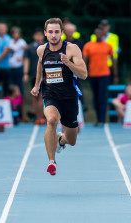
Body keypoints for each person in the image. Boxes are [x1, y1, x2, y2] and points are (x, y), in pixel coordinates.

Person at [31, 18, 87, 176]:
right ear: (45, 33)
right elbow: (40, 66)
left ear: (62, 33)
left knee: (72, 141)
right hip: (50, 95)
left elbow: (83, 74)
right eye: (50, 32)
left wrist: (68, 64)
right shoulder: (41, 50)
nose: (53, 35)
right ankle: (51, 161)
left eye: (56, 32)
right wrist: (36, 86)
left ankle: (61, 139)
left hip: (69, 98)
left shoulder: (72, 49)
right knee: (51, 120)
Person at [83, 27, 118, 126]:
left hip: (104, 74)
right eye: (96, 33)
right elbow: (84, 60)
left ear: (103, 34)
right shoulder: (88, 45)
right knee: (95, 97)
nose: (98, 34)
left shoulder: (108, 46)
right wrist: (83, 72)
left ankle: (102, 119)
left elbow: (113, 60)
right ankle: (98, 118)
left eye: (100, 33)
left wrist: (115, 75)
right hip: (93, 75)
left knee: (102, 97)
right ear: (94, 34)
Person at [23, 28, 45, 125]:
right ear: (34, 36)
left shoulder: (47, 46)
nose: (39, 37)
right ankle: (37, 116)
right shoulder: (30, 47)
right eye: (37, 35)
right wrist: (25, 73)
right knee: (35, 97)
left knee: (42, 96)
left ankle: (41, 116)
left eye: (40, 35)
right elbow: (26, 61)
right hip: (34, 74)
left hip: (45, 75)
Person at [0, 22, 12, 96]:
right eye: (0, 28)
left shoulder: (7, 39)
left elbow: (5, 52)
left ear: (6, 29)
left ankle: (5, 102)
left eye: (3, 28)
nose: (1, 29)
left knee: (5, 87)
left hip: (5, 67)